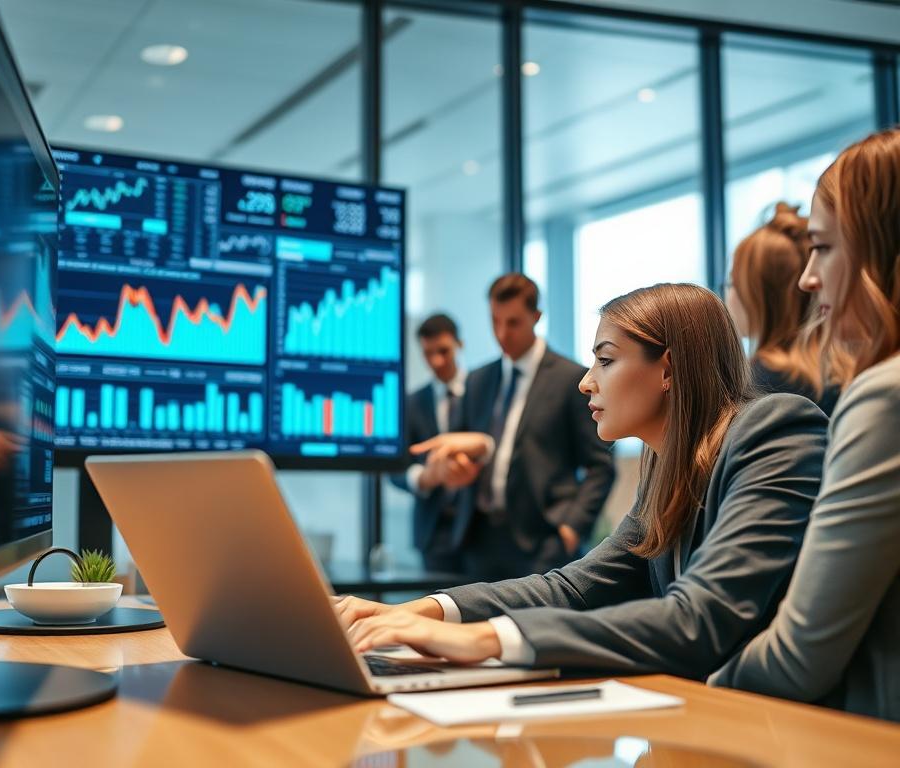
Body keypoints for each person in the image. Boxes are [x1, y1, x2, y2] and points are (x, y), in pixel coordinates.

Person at [333, 283, 827, 678]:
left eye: (606, 360)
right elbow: (573, 588)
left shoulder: (774, 432)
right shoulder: (665, 464)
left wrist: (486, 639)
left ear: (669, 370)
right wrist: (426, 611)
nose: (586, 381)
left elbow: (698, 618)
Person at [710, 128, 900, 722]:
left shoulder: (881, 396)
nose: (808, 278)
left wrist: (692, 688)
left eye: (825, 248)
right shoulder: (846, 381)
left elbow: (800, 652)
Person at [443, 274, 615, 581]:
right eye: (495, 321)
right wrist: (456, 465)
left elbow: (600, 466)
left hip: (541, 542)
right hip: (477, 540)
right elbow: (457, 443)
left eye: (513, 323)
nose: (501, 333)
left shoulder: (570, 379)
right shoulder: (477, 380)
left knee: (526, 628)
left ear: (536, 317)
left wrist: (572, 528)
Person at [725, 202, 839, 415]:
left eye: (732, 283)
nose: (727, 296)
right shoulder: (839, 367)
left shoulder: (759, 383)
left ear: (758, 296)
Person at [389, 313, 466, 573]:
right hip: (433, 533)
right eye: (428, 353)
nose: (436, 361)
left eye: (443, 351)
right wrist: (424, 478)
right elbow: (395, 469)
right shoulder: (411, 403)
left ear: (459, 344)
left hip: (480, 532)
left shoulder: (483, 392)